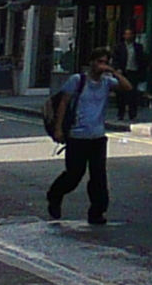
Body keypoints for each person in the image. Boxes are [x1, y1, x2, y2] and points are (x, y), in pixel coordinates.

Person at [46, 49, 126, 226]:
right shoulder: (78, 80)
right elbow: (63, 104)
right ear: (91, 62)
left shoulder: (107, 82)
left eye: (105, 61)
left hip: (97, 137)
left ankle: (97, 212)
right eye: (99, 61)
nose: (101, 65)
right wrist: (59, 129)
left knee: (98, 177)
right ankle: (55, 195)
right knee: (74, 175)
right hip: (77, 136)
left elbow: (127, 87)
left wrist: (113, 71)